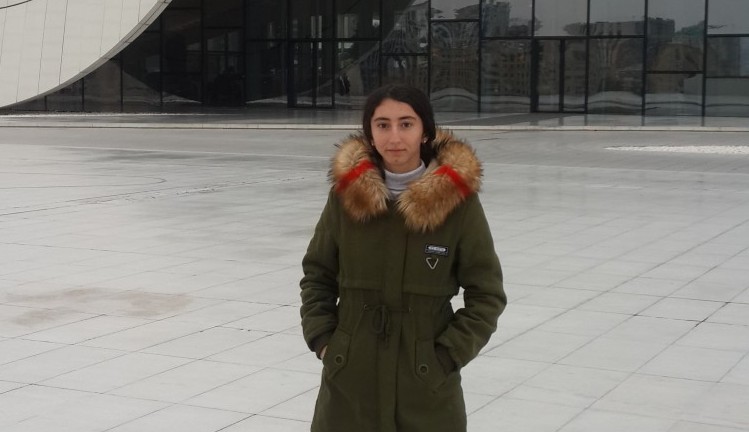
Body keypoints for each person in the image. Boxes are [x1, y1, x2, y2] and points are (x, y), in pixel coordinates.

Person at [299, 84, 506, 432]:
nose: (394, 136)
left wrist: (445, 357)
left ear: (425, 131)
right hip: (351, 383)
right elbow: (317, 275)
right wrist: (326, 343)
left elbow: (487, 294)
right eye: (383, 125)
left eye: (406, 124)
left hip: (425, 387)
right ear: (370, 133)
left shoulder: (458, 203)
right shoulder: (346, 197)